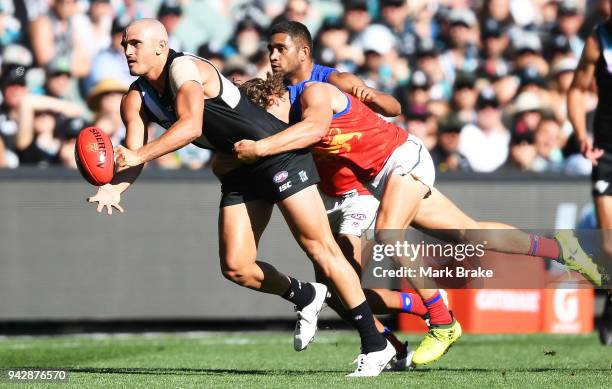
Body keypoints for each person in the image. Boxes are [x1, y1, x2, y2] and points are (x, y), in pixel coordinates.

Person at [240, 20, 604, 364]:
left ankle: (442, 321)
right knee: (467, 232)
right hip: (376, 178)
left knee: (389, 232)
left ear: (303, 53)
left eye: (279, 48)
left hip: (399, 158)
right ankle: (563, 249)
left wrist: (376, 98)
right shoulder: (283, 95)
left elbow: (374, 113)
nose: (272, 56)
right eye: (269, 49)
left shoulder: (327, 82)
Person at [86, 19, 395, 376]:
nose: (127, 51)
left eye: (135, 43)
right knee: (236, 267)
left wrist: (137, 156)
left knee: (320, 248)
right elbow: (133, 152)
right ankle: (305, 295)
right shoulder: (135, 97)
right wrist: (114, 186)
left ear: (161, 46)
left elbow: (190, 126)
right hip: (239, 167)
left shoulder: (184, 68)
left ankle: (376, 344)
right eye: (124, 44)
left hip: (276, 153)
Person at [567, 2, 612, 345]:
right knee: (610, 245)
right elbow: (579, 89)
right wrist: (582, 135)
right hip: (607, 151)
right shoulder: (600, 40)